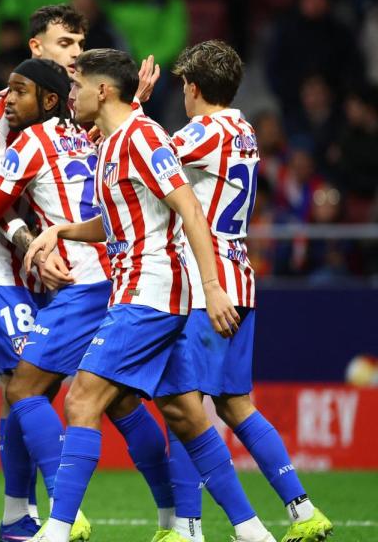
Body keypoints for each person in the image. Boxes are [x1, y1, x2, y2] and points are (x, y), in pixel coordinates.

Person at [25, 48, 274, 542]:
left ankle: (55, 530)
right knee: (184, 413)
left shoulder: (141, 139)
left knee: (81, 402)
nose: (69, 96)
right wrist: (63, 233)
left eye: (77, 86)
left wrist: (212, 288)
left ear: (102, 90)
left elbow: (191, 211)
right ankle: (252, 530)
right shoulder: (115, 143)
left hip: (152, 291)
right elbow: (118, 223)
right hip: (144, 289)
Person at [0, 57, 180, 541]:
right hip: (123, 274)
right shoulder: (97, 134)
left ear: (51, 99)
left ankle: (63, 512)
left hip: (83, 283)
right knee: (118, 402)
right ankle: (173, 519)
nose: (7, 101)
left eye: (18, 91)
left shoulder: (33, 142)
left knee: (23, 388)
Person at [158, 40, 333, 542]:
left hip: (203, 283)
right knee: (237, 405)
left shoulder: (202, 131)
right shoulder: (245, 129)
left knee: (185, 405)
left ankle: (186, 528)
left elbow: (148, 160)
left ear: (192, 88)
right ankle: (303, 511)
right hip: (240, 276)